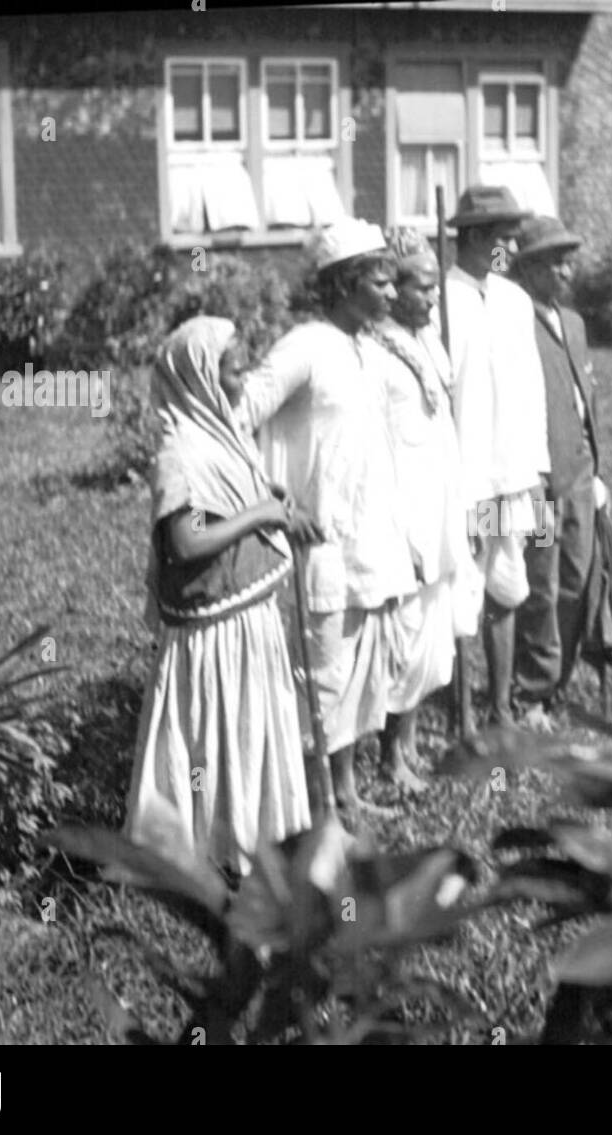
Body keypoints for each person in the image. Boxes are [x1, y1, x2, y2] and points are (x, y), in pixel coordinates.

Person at [123, 315, 323, 877]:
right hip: (212, 632)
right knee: (214, 736)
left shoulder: (220, 435)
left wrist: (268, 497)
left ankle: (254, 841)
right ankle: (209, 848)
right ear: (203, 378)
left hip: (243, 617)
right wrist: (260, 513)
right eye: (233, 371)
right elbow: (187, 541)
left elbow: (230, 501)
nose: (242, 381)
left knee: (249, 728)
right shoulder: (181, 452)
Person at [234, 218, 419, 816]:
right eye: (382, 282)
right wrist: (278, 502)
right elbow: (237, 418)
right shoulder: (304, 347)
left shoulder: (366, 350)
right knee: (320, 673)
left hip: (369, 541)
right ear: (344, 285)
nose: (393, 294)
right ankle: (315, 807)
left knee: (360, 673)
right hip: (321, 547)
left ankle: (347, 791)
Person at [366, 226, 475, 790]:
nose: (432, 300)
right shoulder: (376, 351)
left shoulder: (428, 340)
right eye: (423, 289)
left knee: (431, 641)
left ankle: (405, 747)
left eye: (435, 290)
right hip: (403, 518)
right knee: (403, 643)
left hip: (440, 508)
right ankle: (388, 756)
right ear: (395, 288)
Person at [444, 185, 550, 727]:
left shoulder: (514, 301)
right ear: (475, 237)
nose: (509, 246)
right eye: (501, 237)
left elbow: (531, 391)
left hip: (510, 473)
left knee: (507, 588)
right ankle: (462, 715)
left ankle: (502, 705)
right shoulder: (442, 302)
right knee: (464, 594)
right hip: (466, 478)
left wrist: (536, 473)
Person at [509, 215, 609, 728]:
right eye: (555, 262)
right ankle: (529, 692)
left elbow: (582, 399)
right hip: (535, 481)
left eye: (570, 260)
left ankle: (559, 681)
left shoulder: (572, 323)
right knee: (538, 585)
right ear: (527, 268)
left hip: (577, 475)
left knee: (577, 577)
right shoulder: (509, 321)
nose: (567, 271)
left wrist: (595, 467)